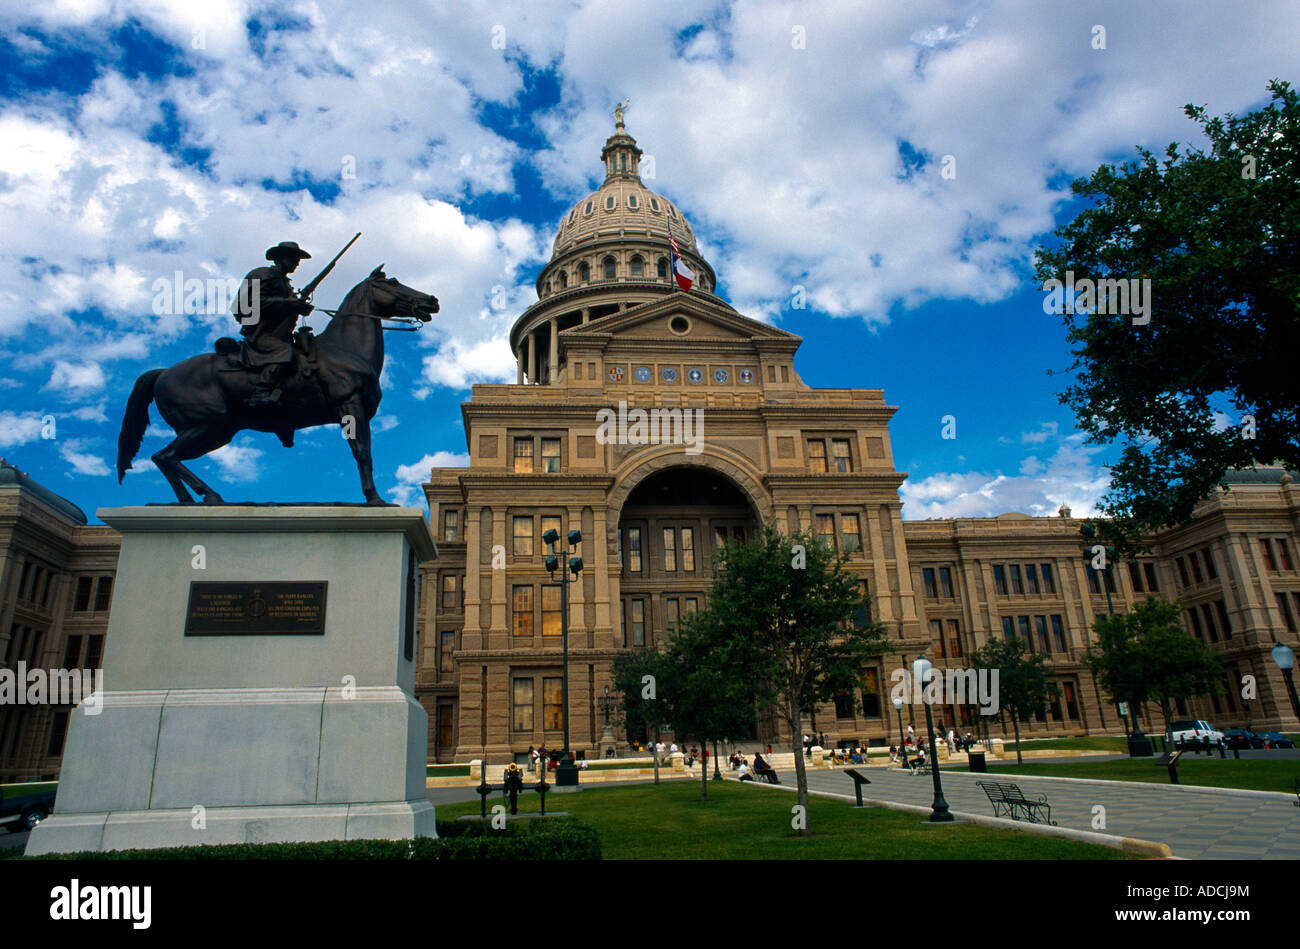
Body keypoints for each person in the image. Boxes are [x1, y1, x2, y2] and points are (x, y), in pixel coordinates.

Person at [232, 241, 315, 407]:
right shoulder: (262, 274)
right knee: (285, 352)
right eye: (294, 258)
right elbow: (246, 304)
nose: (297, 263)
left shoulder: (284, 283)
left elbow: (283, 307)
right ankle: (261, 391)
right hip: (261, 335)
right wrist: (290, 303)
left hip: (281, 335)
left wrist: (298, 306)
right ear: (281, 257)